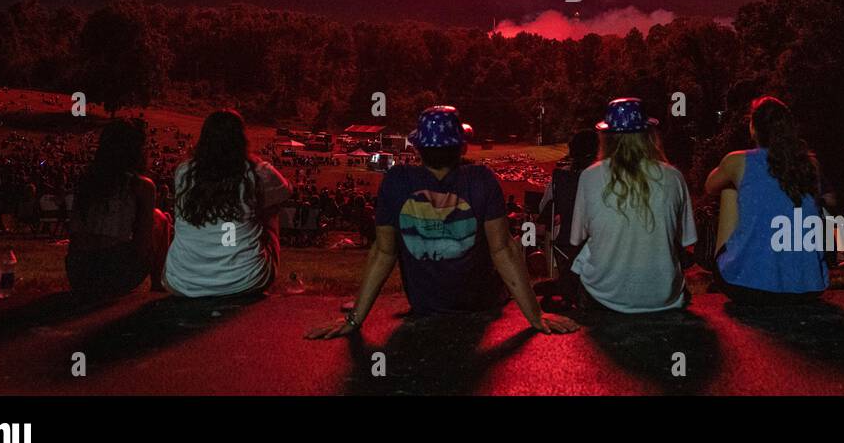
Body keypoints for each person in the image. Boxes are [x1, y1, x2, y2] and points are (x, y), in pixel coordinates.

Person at [306, 105, 577, 338]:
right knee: (514, 244)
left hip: (426, 303)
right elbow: (502, 249)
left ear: (419, 147)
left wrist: (354, 319)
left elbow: (383, 252)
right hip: (481, 302)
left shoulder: (397, 181)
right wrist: (535, 316)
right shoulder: (481, 179)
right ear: (462, 146)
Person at [569, 99, 696, 313]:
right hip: (664, 296)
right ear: (648, 135)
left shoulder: (590, 176)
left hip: (603, 296)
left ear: (606, 138)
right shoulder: (674, 176)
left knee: (582, 260)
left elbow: (576, 238)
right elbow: (686, 241)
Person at [705, 96, 829, 300]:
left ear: (753, 129)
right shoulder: (810, 164)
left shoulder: (738, 160)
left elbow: (710, 186)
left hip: (745, 285)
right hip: (809, 286)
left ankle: (734, 264)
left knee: (729, 187)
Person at [163, 110, 291, 297]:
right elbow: (286, 191)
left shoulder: (184, 171)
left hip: (182, 280)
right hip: (246, 280)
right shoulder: (257, 172)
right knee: (271, 209)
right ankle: (238, 257)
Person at [66, 118, 171, 297]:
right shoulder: (141, 186)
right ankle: (158, 284)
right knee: (162, 218)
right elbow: (143, 244)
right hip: (115, 273)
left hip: (78, 272)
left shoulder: (87, 180)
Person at [536, 128, 598, 308]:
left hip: (566, 240)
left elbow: (543, 207)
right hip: (596, 239)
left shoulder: (561, 177)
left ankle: (560, 279)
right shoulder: (602, 176)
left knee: (553, 226)